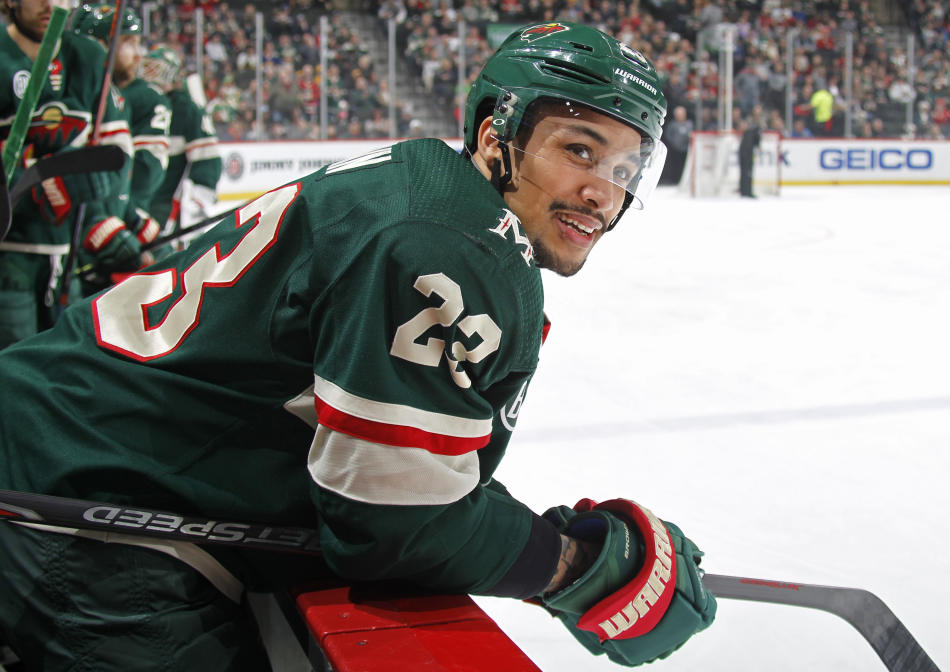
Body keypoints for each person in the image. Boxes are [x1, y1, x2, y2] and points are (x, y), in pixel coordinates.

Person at [0, 22, 716, 670]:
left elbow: (401, 478)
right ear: (497, 138)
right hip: (79, 497)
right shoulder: (448, 246)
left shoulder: (433, 194)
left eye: (624, 169)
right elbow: (394, 525)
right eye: (579, 149)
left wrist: (531, 545)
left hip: (78, 452)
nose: (603, 192)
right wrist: (574, 569)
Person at [0, 0, 131, 348]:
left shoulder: (86, 56)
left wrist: (104, 223)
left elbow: (115, 155)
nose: (49, 4)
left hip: (65, 256)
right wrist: (38, 184)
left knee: (60, 366)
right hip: (7, 256)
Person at [70, 3, 172, 291]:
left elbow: (116, 182)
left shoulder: (116, 97)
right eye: (128, 42)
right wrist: (103, 229)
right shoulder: (81, 93)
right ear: (96, 45)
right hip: (73, 248)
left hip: (100, 235)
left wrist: (133, 219)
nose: (139, 54)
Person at [143, 45, 222, 250]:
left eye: (155, 68)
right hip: (137, 201)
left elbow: (208, 159)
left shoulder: (185, 108)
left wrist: (197, 202)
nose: (149, 74)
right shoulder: (138, 100)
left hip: (165, 207)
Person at [738, 108, 762, 198]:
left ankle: (747, 190)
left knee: (748, 172)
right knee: (745, 171)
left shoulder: (758, 123)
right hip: (745, 150)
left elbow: (757, 139)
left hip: (749, 150)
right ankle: (744, 190)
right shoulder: (750, 122)